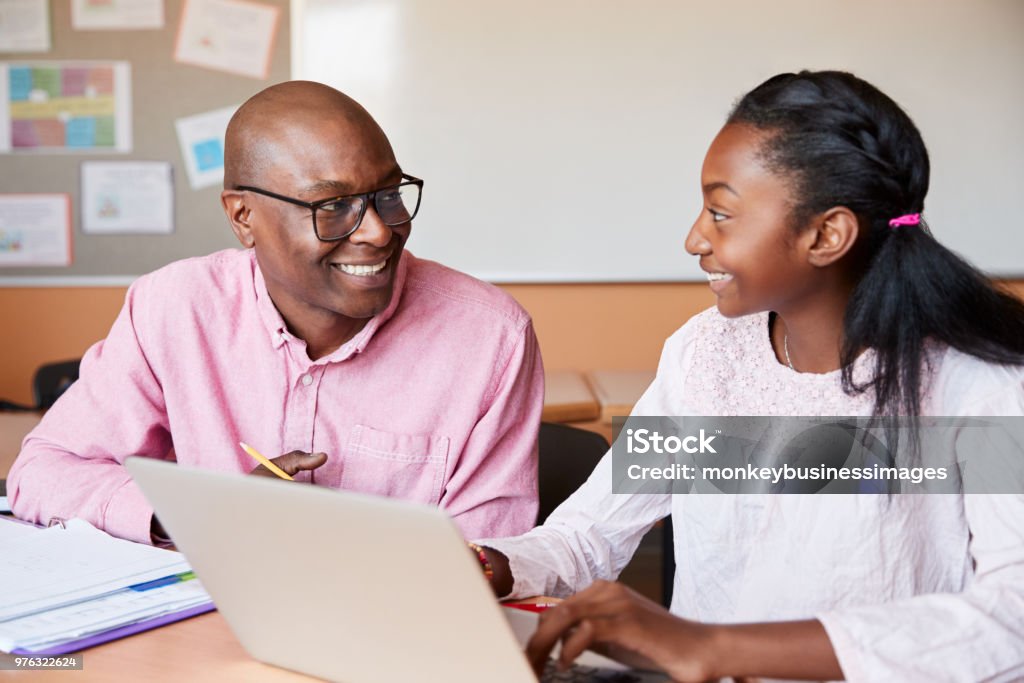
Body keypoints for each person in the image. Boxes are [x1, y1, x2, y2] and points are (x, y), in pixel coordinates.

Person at [476, 71, 1024, 681]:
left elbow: (1012, 621)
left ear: (825, 234)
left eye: (720, 212)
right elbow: (588, 536)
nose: (694, 239)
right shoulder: (705, 354)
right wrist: (492, 562)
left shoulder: (981, 385)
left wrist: (710, 647)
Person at [8, 81, 543, 544]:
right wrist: (202, 517)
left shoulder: (491, 338)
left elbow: (489, 561)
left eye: (388, 193)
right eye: (332, 207)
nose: (379, 231)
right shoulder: (172, 308)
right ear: (243, 217)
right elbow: (43, 471)